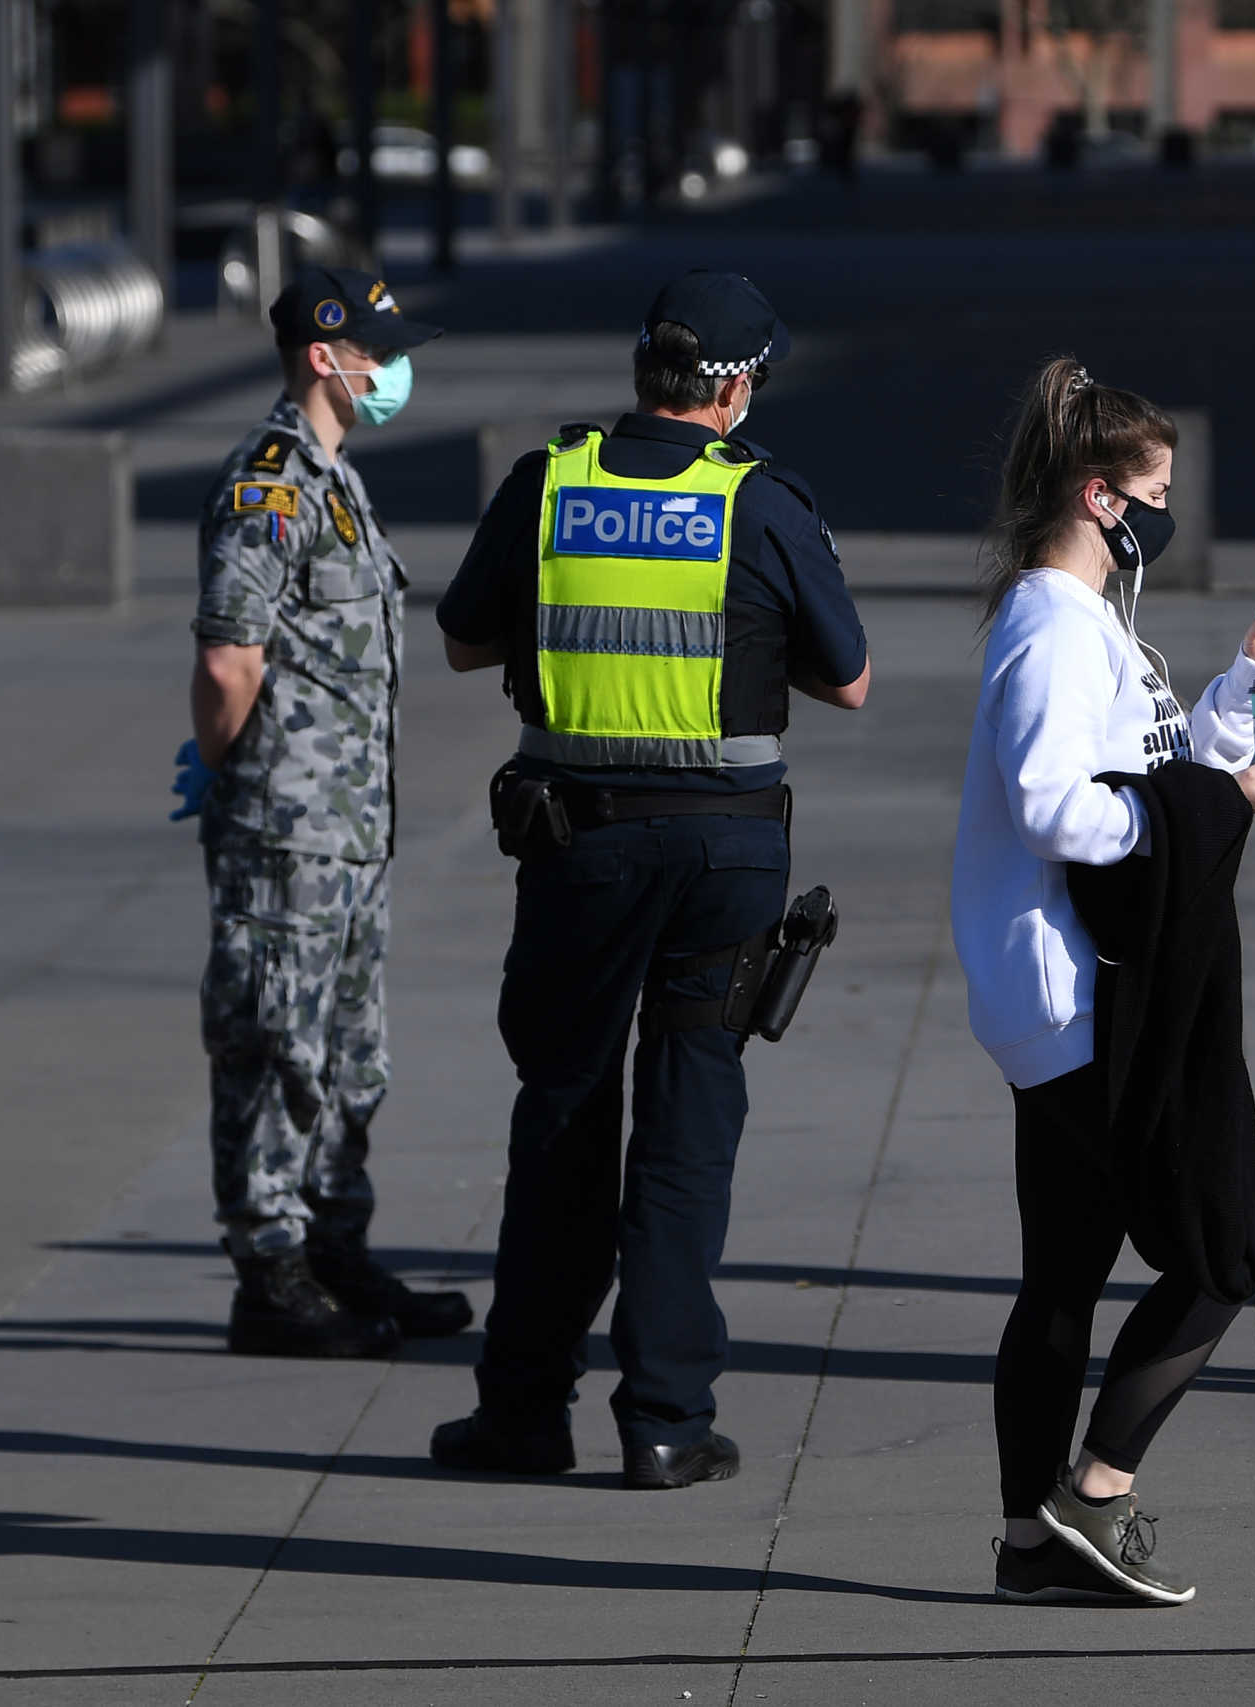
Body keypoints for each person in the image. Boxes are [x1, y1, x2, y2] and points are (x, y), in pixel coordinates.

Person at [426, 271, 870, 1488]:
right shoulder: (762, 502)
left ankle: (522, 1413)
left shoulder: (547, 483)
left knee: (564, 1114)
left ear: (643, 371)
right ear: (732, 389)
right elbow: (850, 679)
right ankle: (667, 1419)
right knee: (687, 1130)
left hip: (581, 843)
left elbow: (465, 641)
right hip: (727, 853)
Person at [953, 357, 1255, 1607]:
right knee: (1224, 1246)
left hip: (1069, 992)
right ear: (1104, 494)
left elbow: (1144, 765)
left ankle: (1025, 1545)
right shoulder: (1054, 623)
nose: (1167, 509)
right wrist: (1222, 800)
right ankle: (1092, 1495)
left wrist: (1241, 691)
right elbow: (1061, 806)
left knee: (1064, 1268)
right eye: (1155, 489)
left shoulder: (1084, 617)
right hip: (1084, 997)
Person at [171, 265, 473, 1358]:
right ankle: (272, 1270)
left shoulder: (335, 480)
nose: (392, 373)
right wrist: (217, 764)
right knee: (273, 1041)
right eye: (378, 354)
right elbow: (229, 654)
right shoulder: (272, 483)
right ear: (323, 357)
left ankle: (337, 1247)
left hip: (347, 830)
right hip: (284, 829)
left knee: (351, 1051)